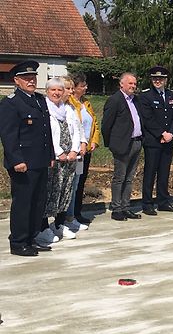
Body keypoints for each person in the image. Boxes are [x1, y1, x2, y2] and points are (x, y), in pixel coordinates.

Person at [0, 61, 55, 257]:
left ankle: (32, 237)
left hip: (40, 160)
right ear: (16, 81)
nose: (31, 81)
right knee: (23, 203)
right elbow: (8, 136)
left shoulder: (39, 100)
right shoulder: (11, 103)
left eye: (33, 77)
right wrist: (16, 160)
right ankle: (18, 242)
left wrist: (50, 156)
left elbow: (45, 132)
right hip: (23, 162)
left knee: (37, 202)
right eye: (26, 78)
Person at [36, 77, 82, 245]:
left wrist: (74, 149)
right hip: (54, 159)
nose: (57, 93)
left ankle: (59, 223)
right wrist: (59, 152)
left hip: (70, 158)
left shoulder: (67, 109)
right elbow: (46, 134)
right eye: (53, 90)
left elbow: (76, 130)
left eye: (59, 90)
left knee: (65, 190)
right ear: (47, 92)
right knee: (50, 192)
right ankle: (42, 228)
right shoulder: (44, 110)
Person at [139, 66, 173, 215]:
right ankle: (147, 204)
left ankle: (163, 201)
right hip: (153, 141)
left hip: (168, 140)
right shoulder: (145, 96)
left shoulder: (172, 96)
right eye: (155, 79)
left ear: (165, 80)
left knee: (164, 172)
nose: (158, 81)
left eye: (160, 79)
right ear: (151, 80)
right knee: (150, 172)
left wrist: (171, 133)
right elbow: (147, 119)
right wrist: (161, 133)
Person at [101, 72, 143, 221]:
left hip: (137, 142)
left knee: (129, 178)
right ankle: (116, 208)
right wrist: (111, 144)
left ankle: (126, 207)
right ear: (121, 84)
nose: (133, 86)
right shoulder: (114, 100)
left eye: (134, 84)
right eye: (130, 83)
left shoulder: (135, 100)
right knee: (119, 178)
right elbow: (106, 125)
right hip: (122, 145)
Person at [66, 72, 101, 225]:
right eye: (83, 86)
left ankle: (77, 213)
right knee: (71, 183)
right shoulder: (69, 103)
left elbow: (95, 124)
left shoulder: (86, 103)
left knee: (80, 182)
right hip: (74, 150)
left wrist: (93, 141)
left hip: (86, 149)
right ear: (74, 88)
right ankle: (68, 215)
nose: (86, 88)